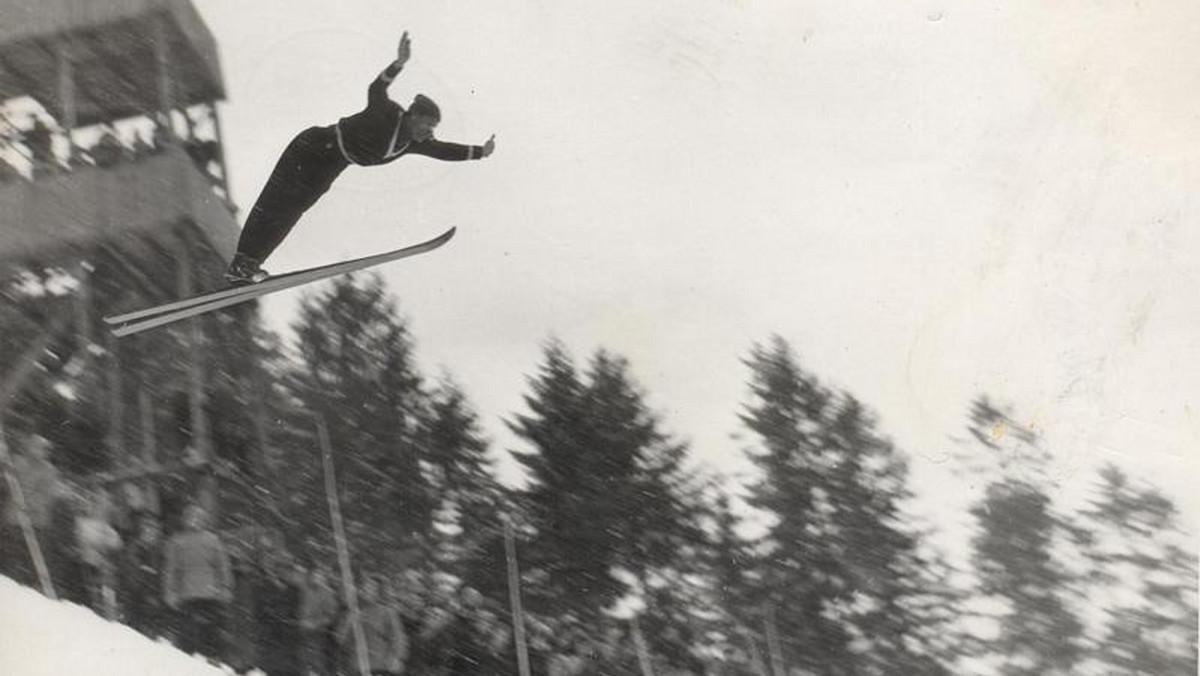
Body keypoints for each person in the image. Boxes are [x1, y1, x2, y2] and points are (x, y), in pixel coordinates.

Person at [225, 31, 496, 285]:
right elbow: (375, 90)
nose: (430, 132)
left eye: (433, 128)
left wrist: (479, 152)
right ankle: (240, 259)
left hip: (333, 164)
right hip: (315, 146)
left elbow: (444, 150)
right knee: (275, 201)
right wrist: (399, 64)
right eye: (428, 125)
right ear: (414, 116)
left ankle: (249, 265)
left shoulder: (412, 142)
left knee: (292, 212)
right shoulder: (388, 113)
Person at [163, 504, 233, 663]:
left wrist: (226, 587)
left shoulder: (212, 540)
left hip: (211, 594)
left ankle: (213, 661)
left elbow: (223, 566)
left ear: (204, 520)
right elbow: (171, 569)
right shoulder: (177, 541)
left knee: (211, 631)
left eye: (198, 517)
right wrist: (170, 592)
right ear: (184, 520)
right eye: (190, 517)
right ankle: (187, 663)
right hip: (187, 595)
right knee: (188, 633)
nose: (194, 521)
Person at [0, 433, 61, 588]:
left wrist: (28, 505)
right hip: (13, 521)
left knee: (33, 563)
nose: (39, 451)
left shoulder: (50, 471)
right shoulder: (17, 463)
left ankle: (31, 590)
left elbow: (45, 497)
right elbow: (6, 485)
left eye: (43, 449)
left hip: (36, 524)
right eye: (35, 447)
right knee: (11, 560)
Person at [338, 575, 408, 676]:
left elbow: (398, 639)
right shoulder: (354, 612)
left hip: (380, 666)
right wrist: (349, 623)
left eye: (371, 587)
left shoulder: (388, 613)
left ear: (379, 592)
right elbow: (342, 641)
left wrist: (394, 658)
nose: (366, 589)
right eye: (366, 586)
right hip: (358, 666)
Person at [118, 512, 167, 638]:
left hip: (150, 593)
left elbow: (159, 572)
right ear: (142, 530)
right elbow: (132, 566)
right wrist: (145, 573)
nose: (151, 534)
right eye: (148, 529)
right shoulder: (135, 546)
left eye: (153, 530)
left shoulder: (158, 551)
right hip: (135, 591)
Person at [299, 566, 340, 676]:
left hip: (320, 634)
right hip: (303, 633)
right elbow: (299, 610)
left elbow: (331, 615)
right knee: (304, 662)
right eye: (314, 575)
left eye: (319, 575)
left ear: (323, 577)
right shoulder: (304, 591)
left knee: (319, 663)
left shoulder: (328, 593)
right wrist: (303, 622)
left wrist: (316, 624)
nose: (316, 577)